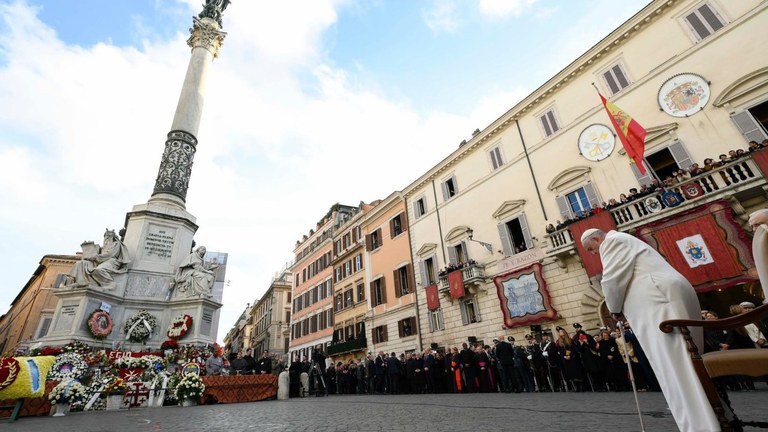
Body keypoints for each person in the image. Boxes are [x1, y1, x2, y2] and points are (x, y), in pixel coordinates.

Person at [581, 228, 720, 431]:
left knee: (675, 366)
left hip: (658, 300)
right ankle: (714, 414)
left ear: (596, 238)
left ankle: (700, 426)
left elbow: (611, 280)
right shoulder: (627, 240)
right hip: (666, 295)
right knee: (690, 360)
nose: (594, 254)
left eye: (592, 249)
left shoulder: (612, 241)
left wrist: (614, 309)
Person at [67, 229, 131, 288]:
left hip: (111, 262)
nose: (106, 238)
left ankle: (109, 284)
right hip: (98, 262)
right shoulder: (103, 247)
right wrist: (90, 249)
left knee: (98, 270)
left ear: (113, 237)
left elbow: (110, 255)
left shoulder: (116, 244)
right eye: (106, 237)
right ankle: (78, 283)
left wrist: (96, 257)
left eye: (109, 237)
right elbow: (97, 254)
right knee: (80, 263)